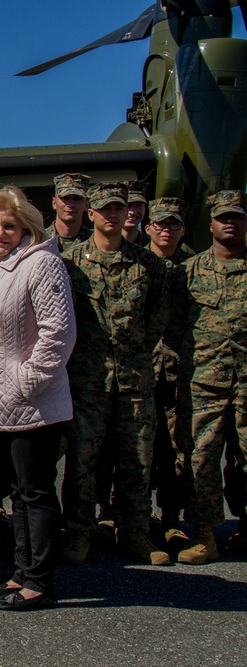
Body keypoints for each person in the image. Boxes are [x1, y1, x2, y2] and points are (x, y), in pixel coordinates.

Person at [0, 187, 76, 611]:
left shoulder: (42, 265)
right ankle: (20, 573)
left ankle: (39, 583)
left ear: (26, 227)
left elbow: (58, 334)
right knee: (17, 491)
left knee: (35, 492)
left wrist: (25, 384)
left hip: (33, 403)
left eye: (9, 226)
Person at [60, 182, 170, 566]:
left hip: (134, 379)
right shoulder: (69, 263)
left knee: (137, 458)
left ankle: (135, 531)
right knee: (82, 459)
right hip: (87, 380)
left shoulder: (149, 265)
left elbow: (157, 319)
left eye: (118, 209)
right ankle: (78, 533)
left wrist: (134, 354)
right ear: (91, 214)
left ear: (128, 214)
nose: (111, 215)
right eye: (103, 209)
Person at [171, 190, 247, 564]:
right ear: (211, 223)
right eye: (223, 218)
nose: (230, 223)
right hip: (203, 384)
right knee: (198, 460)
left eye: (237, 217)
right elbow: (170, 326)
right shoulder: (189, 271)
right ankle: (205, 536)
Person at [145, 197, 193, 548]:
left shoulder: (193, 269)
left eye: (173, 224)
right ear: (148, 228)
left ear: (182, 230)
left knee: (177, 448)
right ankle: (135, 516)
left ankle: (172, 519)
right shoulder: (138, 264)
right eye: (159, 223)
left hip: (179, 372)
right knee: (138, 448)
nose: (166, 229)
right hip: (142, 371)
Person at [45, 173, 92, 251]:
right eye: (65, 198)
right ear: (54, 203)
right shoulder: (39, 240)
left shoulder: (95, 241)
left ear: (86, 205)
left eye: (77, 199)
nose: (70, 204)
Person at [124, 181, 149, 246]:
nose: (132, 212)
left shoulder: (153, 247)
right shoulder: (104, 245)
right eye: (128, 205)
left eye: (138, 205)